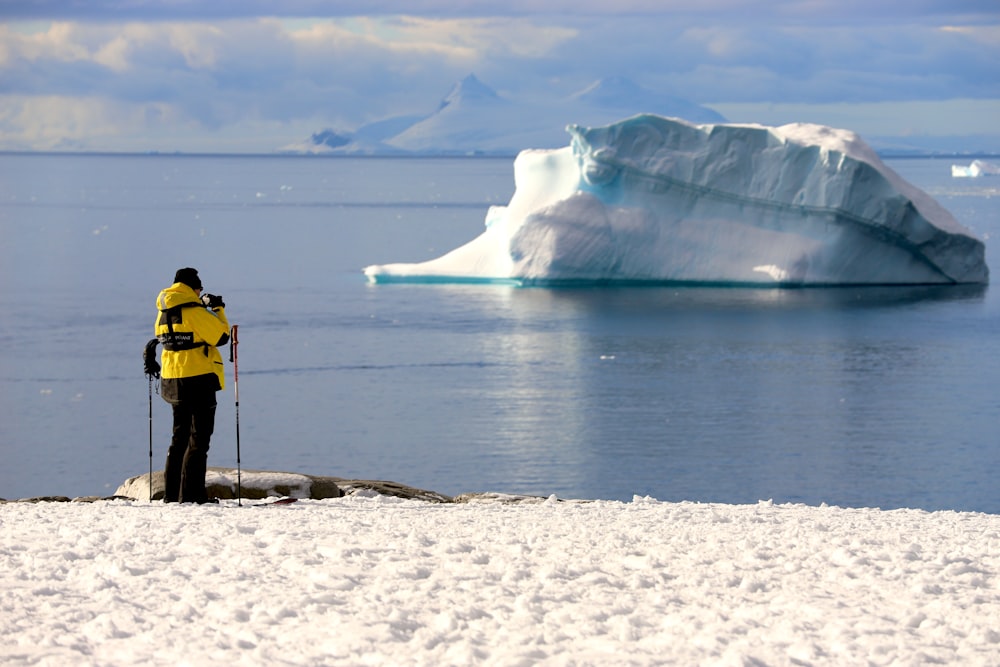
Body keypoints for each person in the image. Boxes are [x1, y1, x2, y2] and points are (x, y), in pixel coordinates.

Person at [154, 267, 230, 503]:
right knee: (199, 439)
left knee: (179, 438)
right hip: (198, 379)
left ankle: (171, 494)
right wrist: (218, 309)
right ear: (193, 288)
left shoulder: (163, 312)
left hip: (172, 379)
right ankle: (193, 494)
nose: (200, 293)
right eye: (199, 289)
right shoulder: (194, 312)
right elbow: (221, 336)